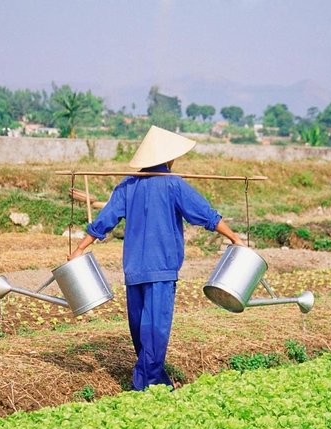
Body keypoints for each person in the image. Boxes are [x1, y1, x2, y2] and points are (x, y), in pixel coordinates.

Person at [68, 125, 244, 391]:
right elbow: (206, 214)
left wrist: (80, 248)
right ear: (167, 158)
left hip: (135, 270)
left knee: (140, 329)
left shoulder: (128, 185)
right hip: (161, 268)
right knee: (154, 329)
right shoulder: (173, 184)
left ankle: (152, 379)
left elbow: (104, 221)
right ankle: (147, 384)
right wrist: (235, 238)